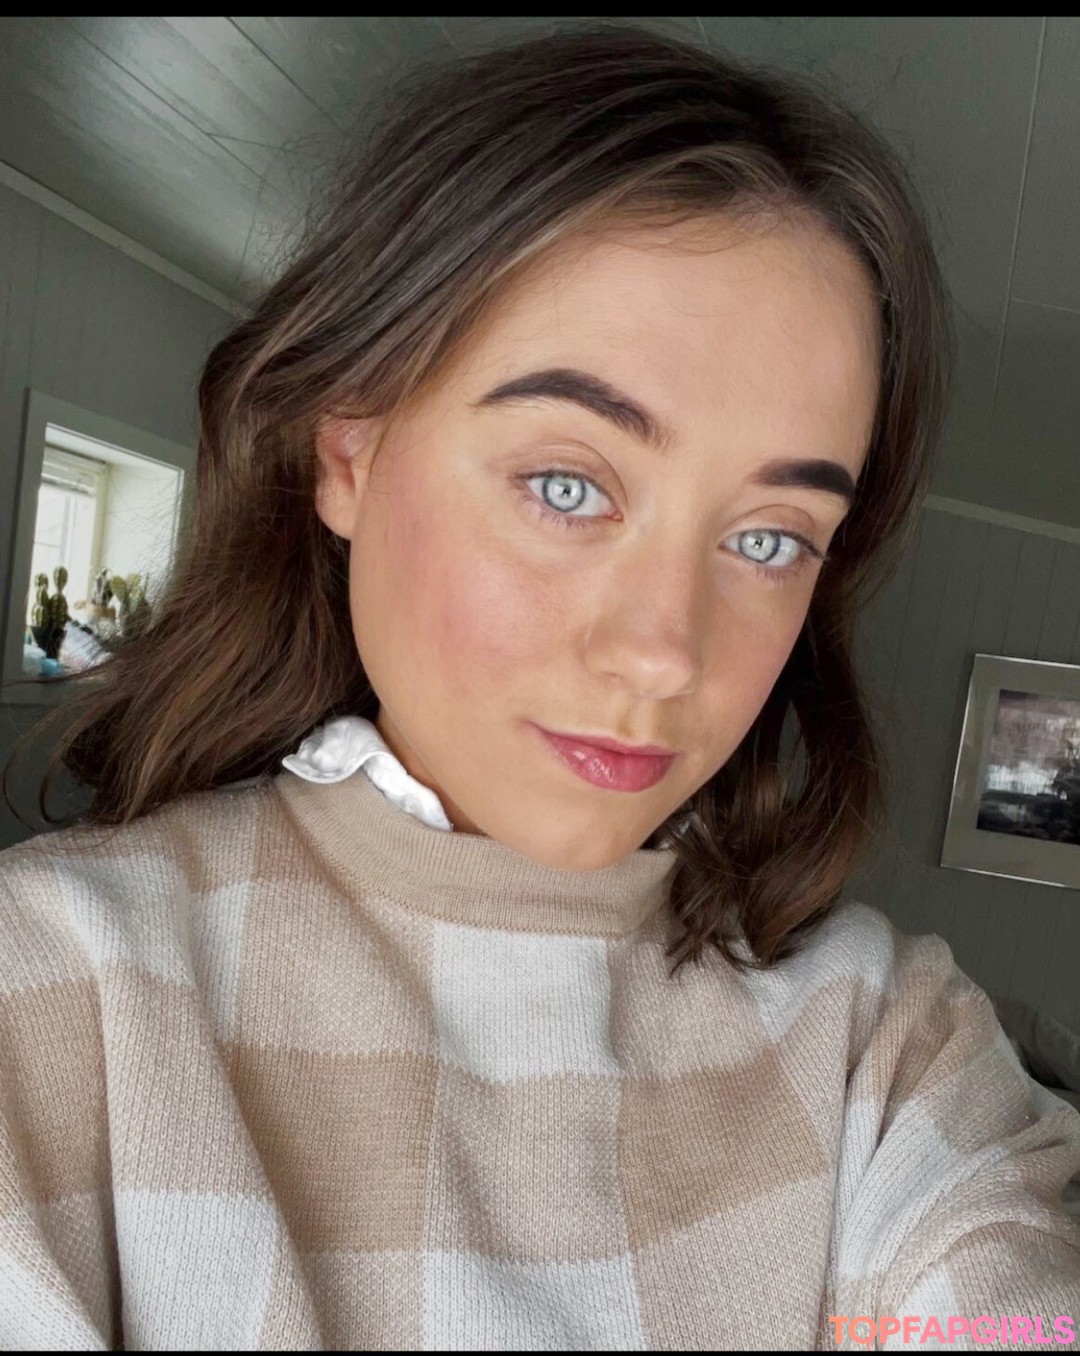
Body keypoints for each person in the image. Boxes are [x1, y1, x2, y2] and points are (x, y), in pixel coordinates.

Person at [0, 22, 1077, 1351]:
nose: (664, 653)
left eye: (768, 539)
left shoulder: (890, 1052)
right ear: (348, 453)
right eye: (568, 484)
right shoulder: (55, 992)